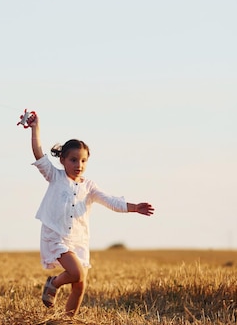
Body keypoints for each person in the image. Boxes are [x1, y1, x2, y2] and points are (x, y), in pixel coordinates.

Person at [25, 112, 153, 316]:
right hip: (55, 235)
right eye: (73, 160)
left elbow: (110, 200)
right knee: (75, 273)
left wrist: (133, 207)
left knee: (80, 283)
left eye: (83, 161)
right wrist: (35, 128)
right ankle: (53, 283)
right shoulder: (55, 177)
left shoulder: (89, 187)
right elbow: (39, 154)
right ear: (63, 160)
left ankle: (67, 320)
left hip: (78, 240)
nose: (79, 165)